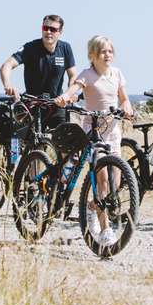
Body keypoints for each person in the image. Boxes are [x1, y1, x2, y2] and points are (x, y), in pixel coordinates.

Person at [58, 35, 133, 247]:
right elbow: (75, 88)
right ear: (93, 55)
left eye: (110, 51)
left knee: (116, 182)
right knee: (102, 180)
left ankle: (92, 206)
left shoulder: (116, 73)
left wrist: (127, 106)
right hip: (93, 131)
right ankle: (105, 228)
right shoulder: (87, 74)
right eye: (102, 52)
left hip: (113, 131)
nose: (107, 55)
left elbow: (124, 98)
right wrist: (67, 97)